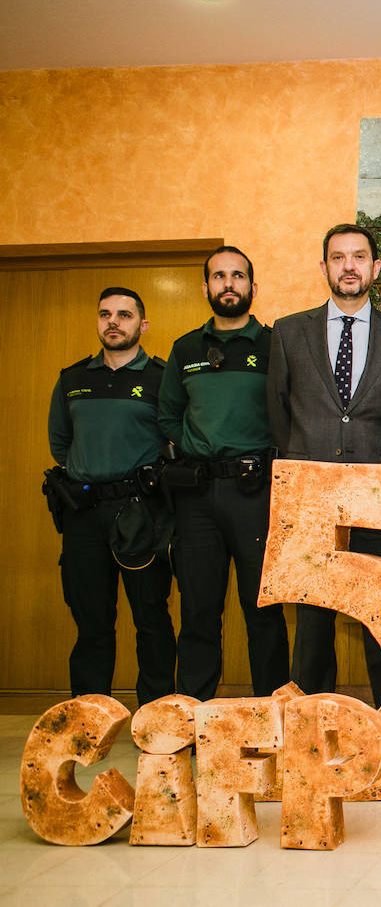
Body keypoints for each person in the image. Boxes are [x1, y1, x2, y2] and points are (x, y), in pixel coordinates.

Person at [267, 223, 381, 708]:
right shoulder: (288, 332)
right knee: (314, 623)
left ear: (375, 268)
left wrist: (377, 470)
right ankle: (313, 731)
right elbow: (278, 414)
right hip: (311, 501)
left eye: (359, 257)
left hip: (379, 501)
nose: (349, 266)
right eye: (339, 258)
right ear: (324, 268)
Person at [159, 246, 289, 700]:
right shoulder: (186, 348)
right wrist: (196, 447)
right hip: (196, 496)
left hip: (257, 493)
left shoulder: (275, 343)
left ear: (253, 287)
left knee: (264, 610)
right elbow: (168, 415)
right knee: (197, 610)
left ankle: (274, 716)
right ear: (206, 288)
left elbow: (289, 411)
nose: (228, 284)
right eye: (219, 276)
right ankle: (193, 718)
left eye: (237, 276)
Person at [47, 287, 176, 706]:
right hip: (84, 513)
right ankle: (89, 719)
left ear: (143, 324)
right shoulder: (73, 379)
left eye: (124, 314)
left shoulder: (160, 377)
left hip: (141, 513)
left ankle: (155, 718)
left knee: (152, 619)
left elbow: (173, 440)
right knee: (91, 622)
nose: (113, 322)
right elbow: (61, 444)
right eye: (105, 314)